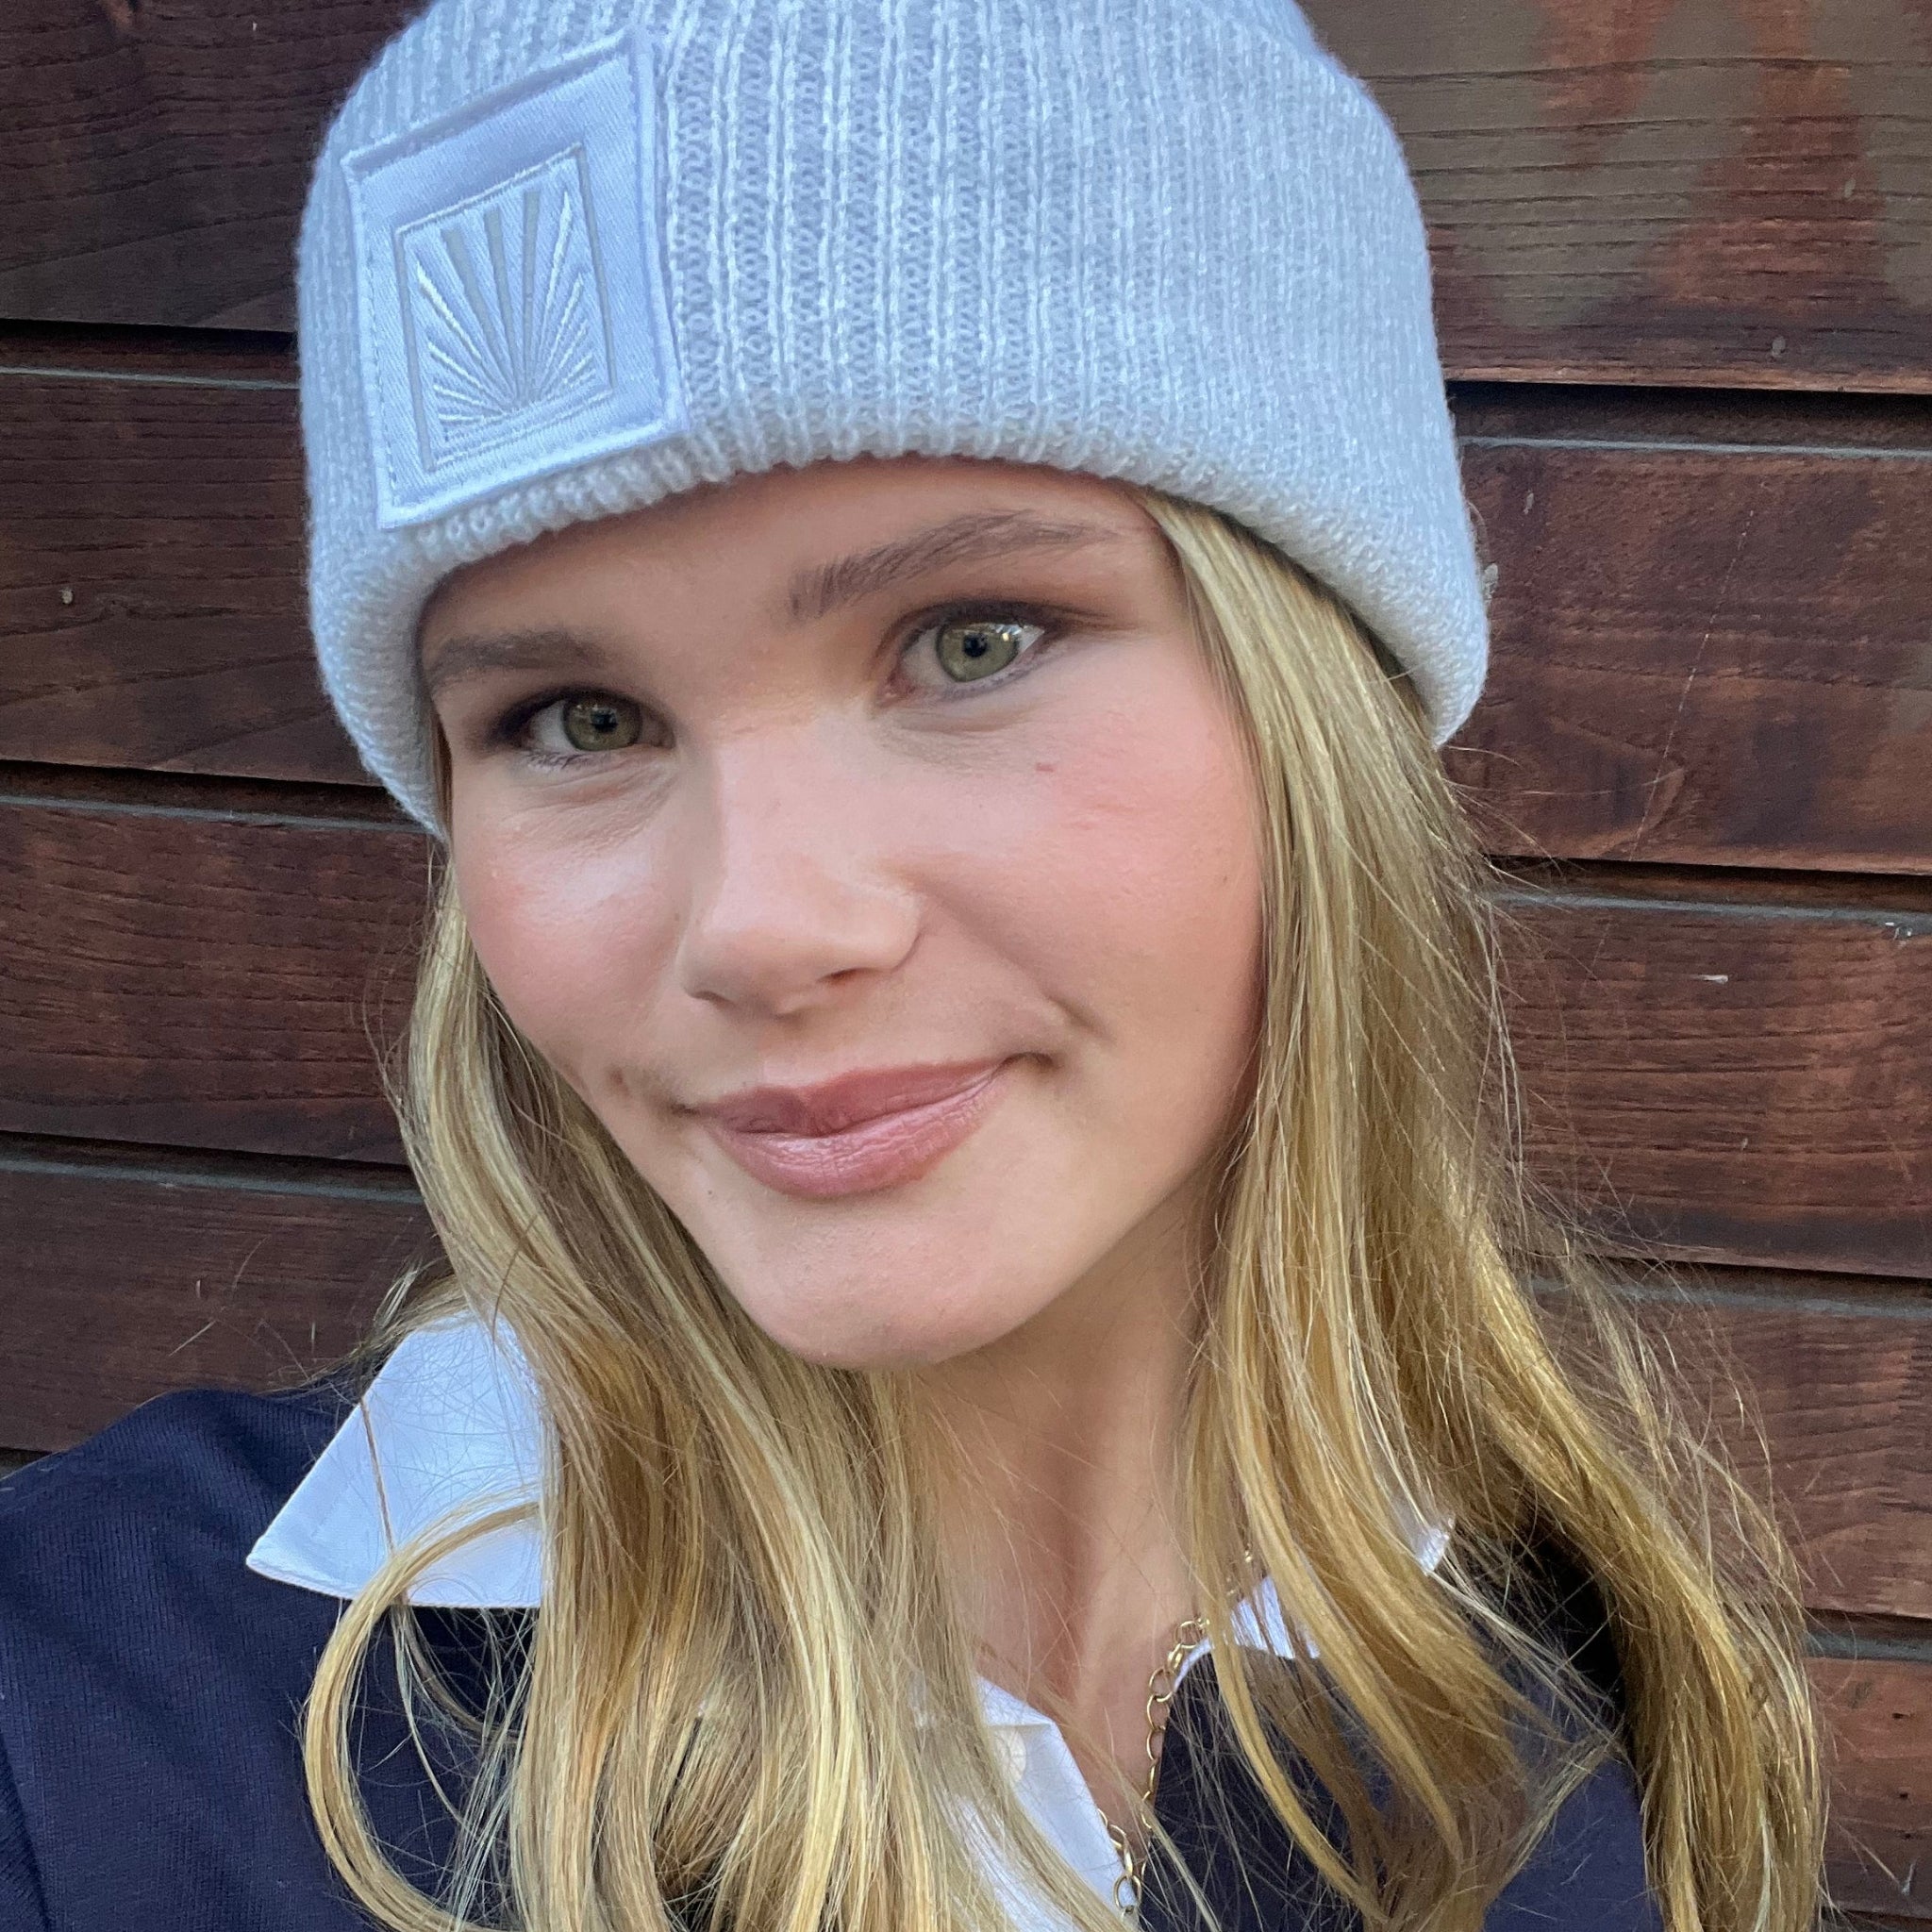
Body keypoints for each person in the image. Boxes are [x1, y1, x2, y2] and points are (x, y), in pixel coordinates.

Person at [0, 2, 1824, 1929]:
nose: (764, 924)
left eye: (971, 642)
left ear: (1322, 713)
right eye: (579, 720)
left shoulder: (1575, 1659)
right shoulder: (89, 1725)